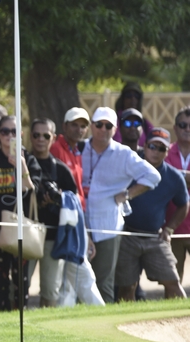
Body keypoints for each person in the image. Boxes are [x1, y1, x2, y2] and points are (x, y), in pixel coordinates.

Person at [81, 107, 160, 304]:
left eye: (108, 126)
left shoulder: (123, 153)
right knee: (79, 278)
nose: (103, 129)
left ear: (114, 129)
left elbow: (153, 176)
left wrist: (127, 194)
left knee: (103, 281)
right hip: (80, 222)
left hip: (108, 224)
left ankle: (103, 328)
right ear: (92, 126)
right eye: (99, 124)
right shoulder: (80, 148)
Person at [116, 128, 188, 301]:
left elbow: (184, 204)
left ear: (167, 151)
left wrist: (169, 229)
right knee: (127, 287)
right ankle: (127, 324)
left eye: (161, 149)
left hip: (155, 237)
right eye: (152, 146)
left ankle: (179, 324)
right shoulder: (129, 166)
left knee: (172, 282)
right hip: (126, 235)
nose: (155, 152)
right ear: (145, 145)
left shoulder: (174, 176)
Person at [0, 115, 41, 311]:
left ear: (21, 135)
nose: (9, 135)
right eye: (5, 131)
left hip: (20, 229)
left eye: (14, 131)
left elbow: (32, 192)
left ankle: (18, 322)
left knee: (20, 283)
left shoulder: (29, 159)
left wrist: (21, 166)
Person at [28, 118, 78, 307]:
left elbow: (74, 203)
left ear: (53, 138)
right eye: (36, 135)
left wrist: (57, 200)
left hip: (54, 237)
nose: (41, 139)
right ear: (30, 137)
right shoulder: (22, 164)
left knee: (50, 291)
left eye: (46, 135)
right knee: (19, 288)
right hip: (27, 233)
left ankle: (45, 331)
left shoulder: (62, 170)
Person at [166, 106, 190, 282]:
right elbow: (163, 179)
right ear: (175, 128)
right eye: (183, 125)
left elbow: (170, 177)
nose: (187, 129)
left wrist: (177, 175)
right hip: (173, 227)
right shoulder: (163, 151)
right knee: (173, 282)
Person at [50, 107, 90, 209]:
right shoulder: (56, 148)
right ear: (64, 126)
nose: (79, 130)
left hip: (77, 208)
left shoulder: (77, 152)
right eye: (74, 125)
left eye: (83, 126)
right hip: (64, 210)